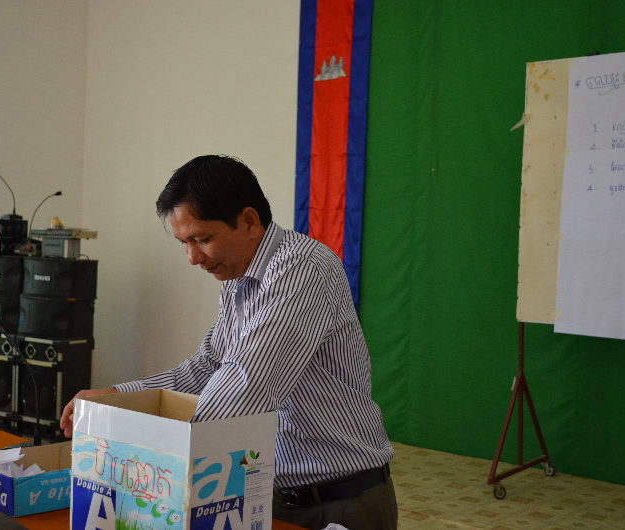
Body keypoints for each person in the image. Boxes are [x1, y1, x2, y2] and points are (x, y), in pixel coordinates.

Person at [60, 154, 398, 530]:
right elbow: (207, 368)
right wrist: (118, 398)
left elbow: (247, 383)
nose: (192, 258)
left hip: (339, 501)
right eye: (184, 243)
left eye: (202, 239)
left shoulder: (302, 269)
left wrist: (156, 453)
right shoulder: (238, 279)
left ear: (249, 221)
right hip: (269, 494)